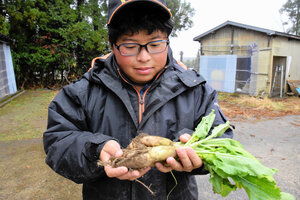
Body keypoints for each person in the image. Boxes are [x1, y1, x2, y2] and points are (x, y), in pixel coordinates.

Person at [43, 0, 233, 199]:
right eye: (130, 45)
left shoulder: (195, 90)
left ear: (167, 40)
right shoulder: (84, 92)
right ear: (113, 45)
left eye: (155, 44)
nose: (144, 57)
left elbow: (221, 140)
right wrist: (95, 150)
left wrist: (192, 152)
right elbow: (58, 141)